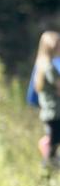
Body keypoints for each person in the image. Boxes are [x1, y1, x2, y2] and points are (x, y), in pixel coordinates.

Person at [34, 31, 60, 172]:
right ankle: (46, 173)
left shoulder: (41, 64)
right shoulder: (50, 68)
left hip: (49, 113)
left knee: (53, 144)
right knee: (52, 148)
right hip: (55, 113)